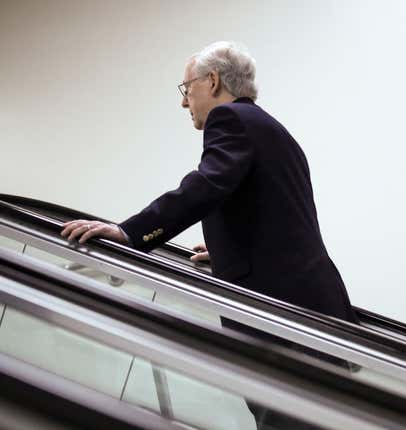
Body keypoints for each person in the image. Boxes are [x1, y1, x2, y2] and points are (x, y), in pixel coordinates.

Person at [61, 41, 357, 429]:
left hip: (279, 318)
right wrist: (228, 250)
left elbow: (206, 185)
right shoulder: (273, 130)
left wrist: (130, 232)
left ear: (213, 80)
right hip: (314, 306)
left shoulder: (230, 120)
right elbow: (283, 220)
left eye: (187, 89)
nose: (185, 103)